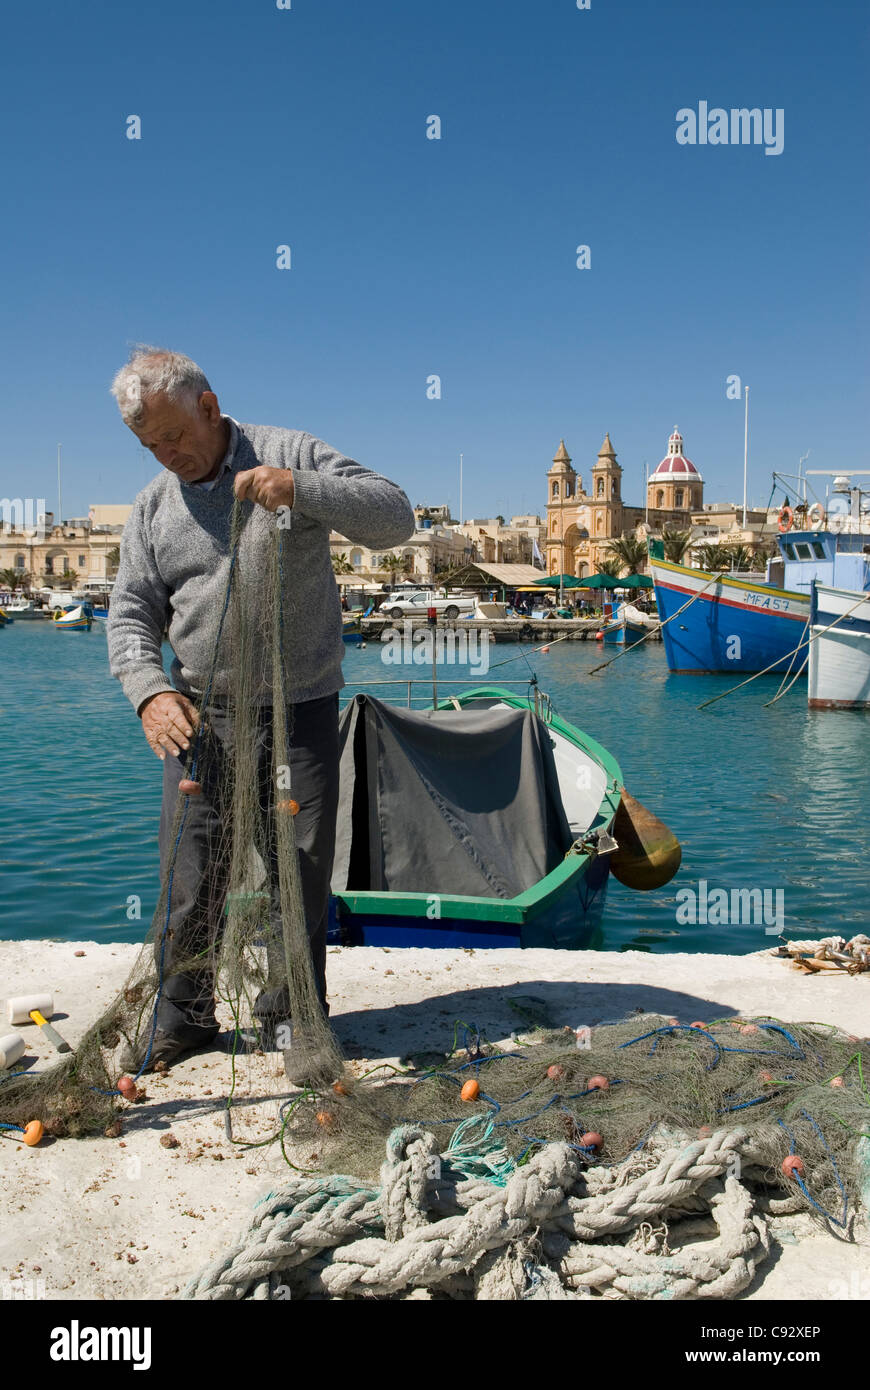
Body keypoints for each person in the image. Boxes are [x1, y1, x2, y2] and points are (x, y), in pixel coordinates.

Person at [107, 347, 415, 1074]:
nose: (168, 456)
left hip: (297, 708)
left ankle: (293, 1023)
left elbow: (394, 518)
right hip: (198, 716)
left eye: (175, 436)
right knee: (191, 877)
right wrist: (149, 690)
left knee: (295, 872)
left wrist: (302, 490)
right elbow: (128, 616)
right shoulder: (153, 507)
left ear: (209, 408)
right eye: (151, 445)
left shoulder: (289, 453)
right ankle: (183, 1018)